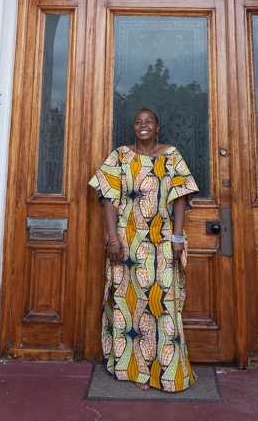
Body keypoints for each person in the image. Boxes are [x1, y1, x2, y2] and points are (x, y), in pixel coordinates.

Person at [88, 108, 199, 391]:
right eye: (138, 122)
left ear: (157, 127)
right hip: (126, 242)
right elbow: (108, 199)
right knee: (131, 305)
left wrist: (176, 239)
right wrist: (113, 239)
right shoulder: (120, 156)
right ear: (134, 128)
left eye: (148, 121)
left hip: (161, 240)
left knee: (163, 305)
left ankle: (163, 372)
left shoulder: (171, 155)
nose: (143, 125)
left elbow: (180, 196)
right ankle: (136, 371)